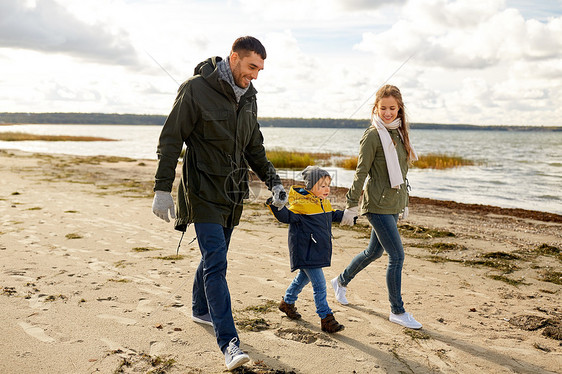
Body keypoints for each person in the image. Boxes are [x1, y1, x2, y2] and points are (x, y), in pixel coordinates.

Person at [151, 36, 288, 371]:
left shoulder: (250, 98)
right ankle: (229, 344)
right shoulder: (195, 89)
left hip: (232, 193)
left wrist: (274, 183)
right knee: (216, 262)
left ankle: (199, 308)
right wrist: (162, 188)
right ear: (234, 58)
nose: (256, 75)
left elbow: (254, 147)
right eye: (252, 66)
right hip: (201, 192)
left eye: (260, 69)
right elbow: (171, 139)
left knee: (217, 257)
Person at [333, 84, 422, 329]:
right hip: (376, 206)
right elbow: (361, 172)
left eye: (392, 108)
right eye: (383, 108)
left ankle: (340, 281)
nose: (387, 112)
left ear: (399, 108)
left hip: (393, 204)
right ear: (376, 108)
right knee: (397, 255)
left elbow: (401, 174)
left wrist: (403, 203)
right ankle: (397, 311)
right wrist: (351, 205)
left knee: (374, 252)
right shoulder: (373, 135)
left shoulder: (400, 134)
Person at [267, 166, 345, 333]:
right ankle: (326, 318)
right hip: (306, 250)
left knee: (303, 278)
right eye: (322, 185)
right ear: (311, 187)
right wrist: (277, 205)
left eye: (328, 185)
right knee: (319, 284)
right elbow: (286, 217)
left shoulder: (323, 203)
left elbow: (331, 215)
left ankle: (287, 303)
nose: (327, 189)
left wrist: (346, 215)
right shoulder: (301, 205)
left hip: (316, 249)